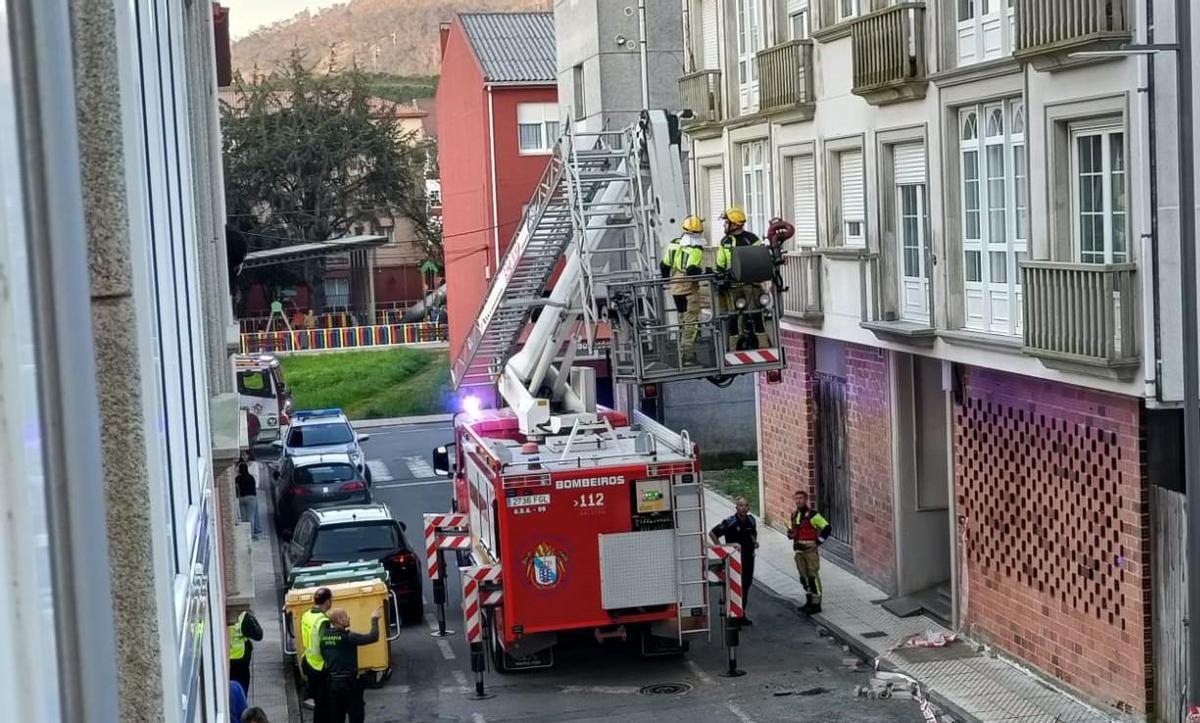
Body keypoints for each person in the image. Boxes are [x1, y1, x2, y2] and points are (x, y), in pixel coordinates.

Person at [319, 606, 384, 723]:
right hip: (349, 684)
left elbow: (324, 656)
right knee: (356, 716)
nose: (349, 618)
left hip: (333, 685)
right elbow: (373, 637)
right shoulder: (349, 637)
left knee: (337, 718)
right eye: (345, 616)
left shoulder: (324, 637)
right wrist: (374, 619)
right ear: (339, 620)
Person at [660, 216, 707, 363]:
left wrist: (667, 280)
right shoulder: (695, 250)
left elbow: (664, 265)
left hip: (675, 289)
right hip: (689, 290)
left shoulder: (673, 244)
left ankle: (681, 353)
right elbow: (692, 270)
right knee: (690, 323)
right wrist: (705, 272)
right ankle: (688, 355)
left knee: (681, 320)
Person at [709, 496, 759, 625]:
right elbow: (713, 533)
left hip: (748, 559)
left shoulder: (751, 520)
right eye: (741, 505)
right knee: (734, 587)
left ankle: (741, 615)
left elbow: (753, 533)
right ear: (736, 507)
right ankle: (731, 616)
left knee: (745, 587)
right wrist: (721, 549)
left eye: (746, 505)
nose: (743, 508)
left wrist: (754, 542)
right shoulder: (729, 522)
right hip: (734, 560)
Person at [788, 489, 832, 615]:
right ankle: (809, 601)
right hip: (798, 550)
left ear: (806, 499)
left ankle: (816, 603)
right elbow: (794, 531)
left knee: (813, 576)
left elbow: (827, 527)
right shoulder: (794, 515)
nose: (799, 500)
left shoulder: (813, 515)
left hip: (810, 551)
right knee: (804, 578)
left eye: (801, 498)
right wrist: (791, 534)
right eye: (796, 498)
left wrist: (818, 542)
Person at [300, 588, 334, 713]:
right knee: (324, 705)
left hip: (308, 661)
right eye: (331, 599)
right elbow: (326, 645)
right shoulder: (323, 621)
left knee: (318, 705)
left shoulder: (306, 615)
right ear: (327, 602)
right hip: (320, 666)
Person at [227, 605, 264, 695]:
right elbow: (259, 635)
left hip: (224, 664)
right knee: (240, 692)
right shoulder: (242, 618)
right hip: (241, 661)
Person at [235, 462, 261, 538]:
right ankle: (251, 534)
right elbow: (254, 488)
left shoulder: (238, 478)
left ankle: (244, 533)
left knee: (243, 517)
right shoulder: (251, 478)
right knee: (250, 517)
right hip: (251, 498)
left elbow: (235, 484)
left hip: (242, 498)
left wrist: (237, 472)